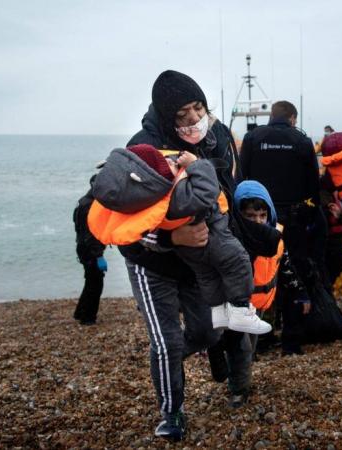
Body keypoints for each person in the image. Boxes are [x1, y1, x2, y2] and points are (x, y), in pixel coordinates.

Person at [92, 70, 254, 441]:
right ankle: (172, 413)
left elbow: (229, 192)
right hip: (151, 261)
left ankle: (205, 351)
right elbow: (120, 221)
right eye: (183, 114)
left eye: (199, 107)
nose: (194, 119)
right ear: (167, 116)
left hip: (197, 262)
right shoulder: (141, 148)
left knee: (206, 330)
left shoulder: (217, 137)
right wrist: (171, 237)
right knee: (168, 342)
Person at [90, 143, 271, 335]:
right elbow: (207, 191)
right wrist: (196, 164)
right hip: (214, 237)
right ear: (157, 179)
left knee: (207, 274)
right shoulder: (180, 196)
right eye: (166, 163)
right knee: (238, 262)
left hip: (189, 250)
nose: (171, 160)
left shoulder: (147, 202)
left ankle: (219, 312)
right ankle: (241, 310)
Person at [239, 101, 323, 297]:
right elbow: (313, 185)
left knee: (260, 264)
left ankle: (264, 311)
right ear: (292, 118)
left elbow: (241, 178)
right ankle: (293, 315)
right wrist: (309, 215)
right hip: (293, 217)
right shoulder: (302, 141)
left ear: (271, 116)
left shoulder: (252, 138)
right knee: (293, 263)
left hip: (259, 216)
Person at [232, 180, 312, 356]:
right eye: (251, 216)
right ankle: (238, 381)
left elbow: (286, 267)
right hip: (236, 307)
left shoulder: (274, 237)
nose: (258, 221)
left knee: (249, 348)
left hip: (261, 304)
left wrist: (300, 292)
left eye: (262, 215)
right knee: (239, 350)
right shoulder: (233, 240)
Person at [72, 174, 107, 325]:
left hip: (83, 247)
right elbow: (89, 234)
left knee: (90, 281)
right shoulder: (89, 205)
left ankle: (80, 312)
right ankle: (87, 318)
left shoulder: (84, 201)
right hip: (89, 249)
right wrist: (98, 255)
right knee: (96, 283)